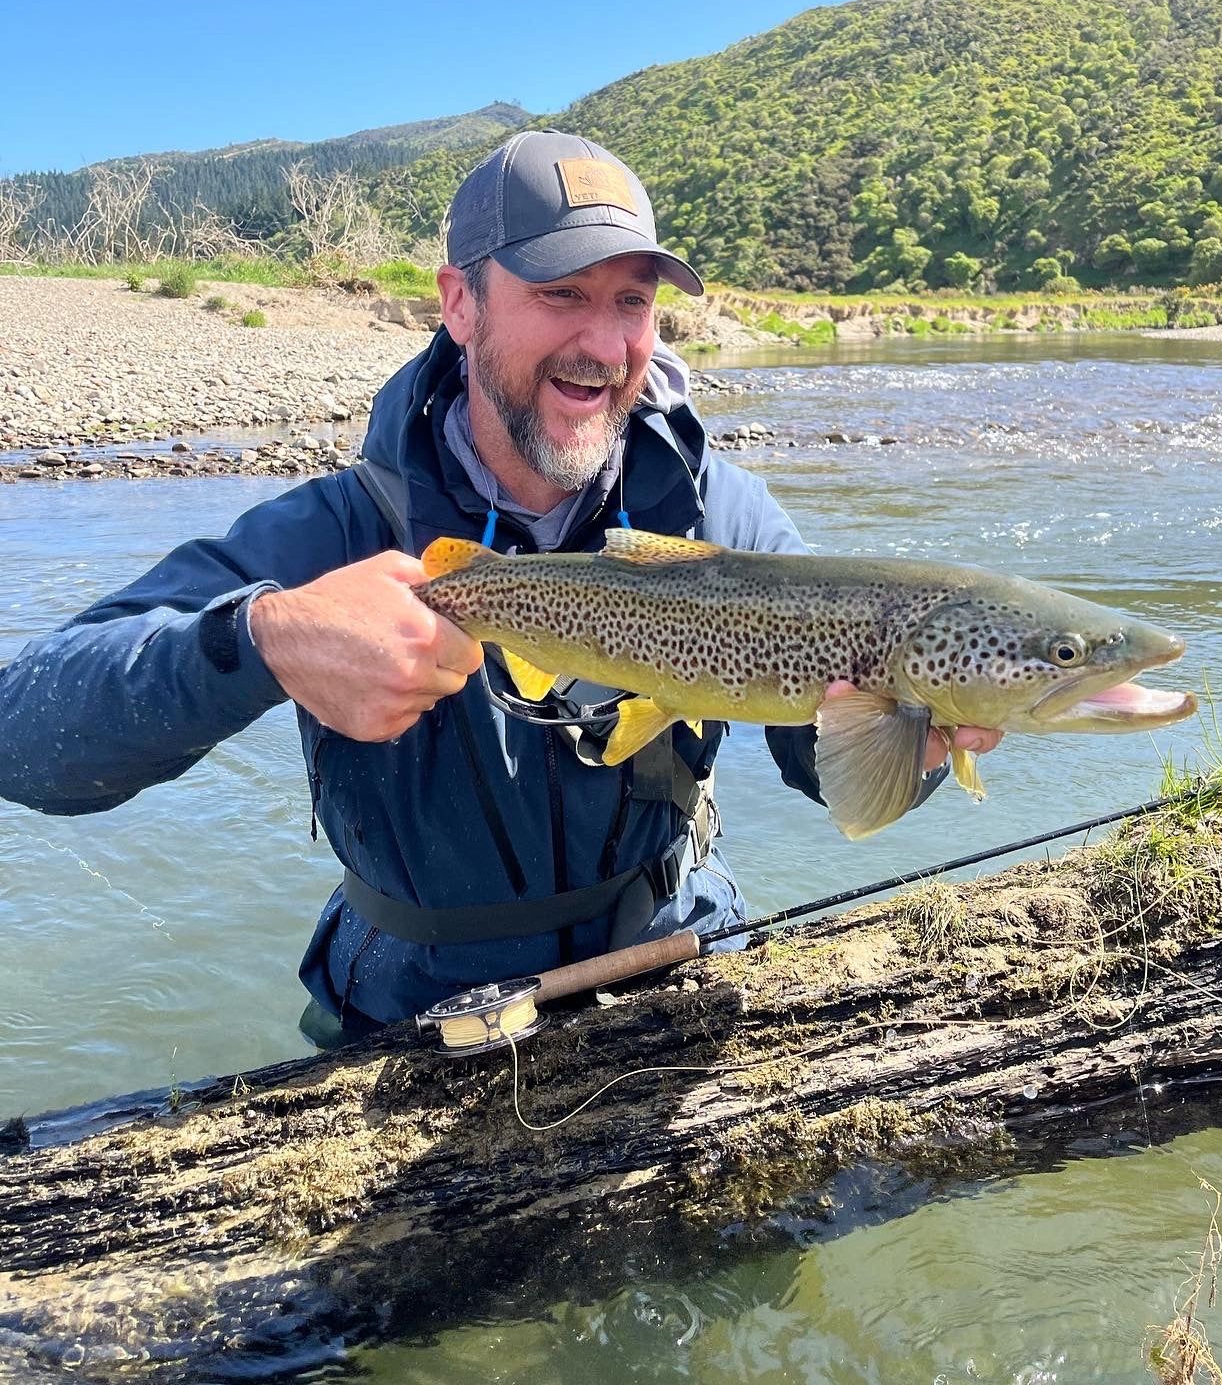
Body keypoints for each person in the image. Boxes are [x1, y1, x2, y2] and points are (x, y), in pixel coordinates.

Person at [0, 132, 1001, 1037]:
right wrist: (258, 640)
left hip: (678, 963)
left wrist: (918, 739)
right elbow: (26, 740)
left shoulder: (717, 518)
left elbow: (821, 767)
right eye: (560, 294)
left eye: (632, 302)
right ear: (459, 304)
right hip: (413, 1006)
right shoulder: (339, 530)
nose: (605, 347)